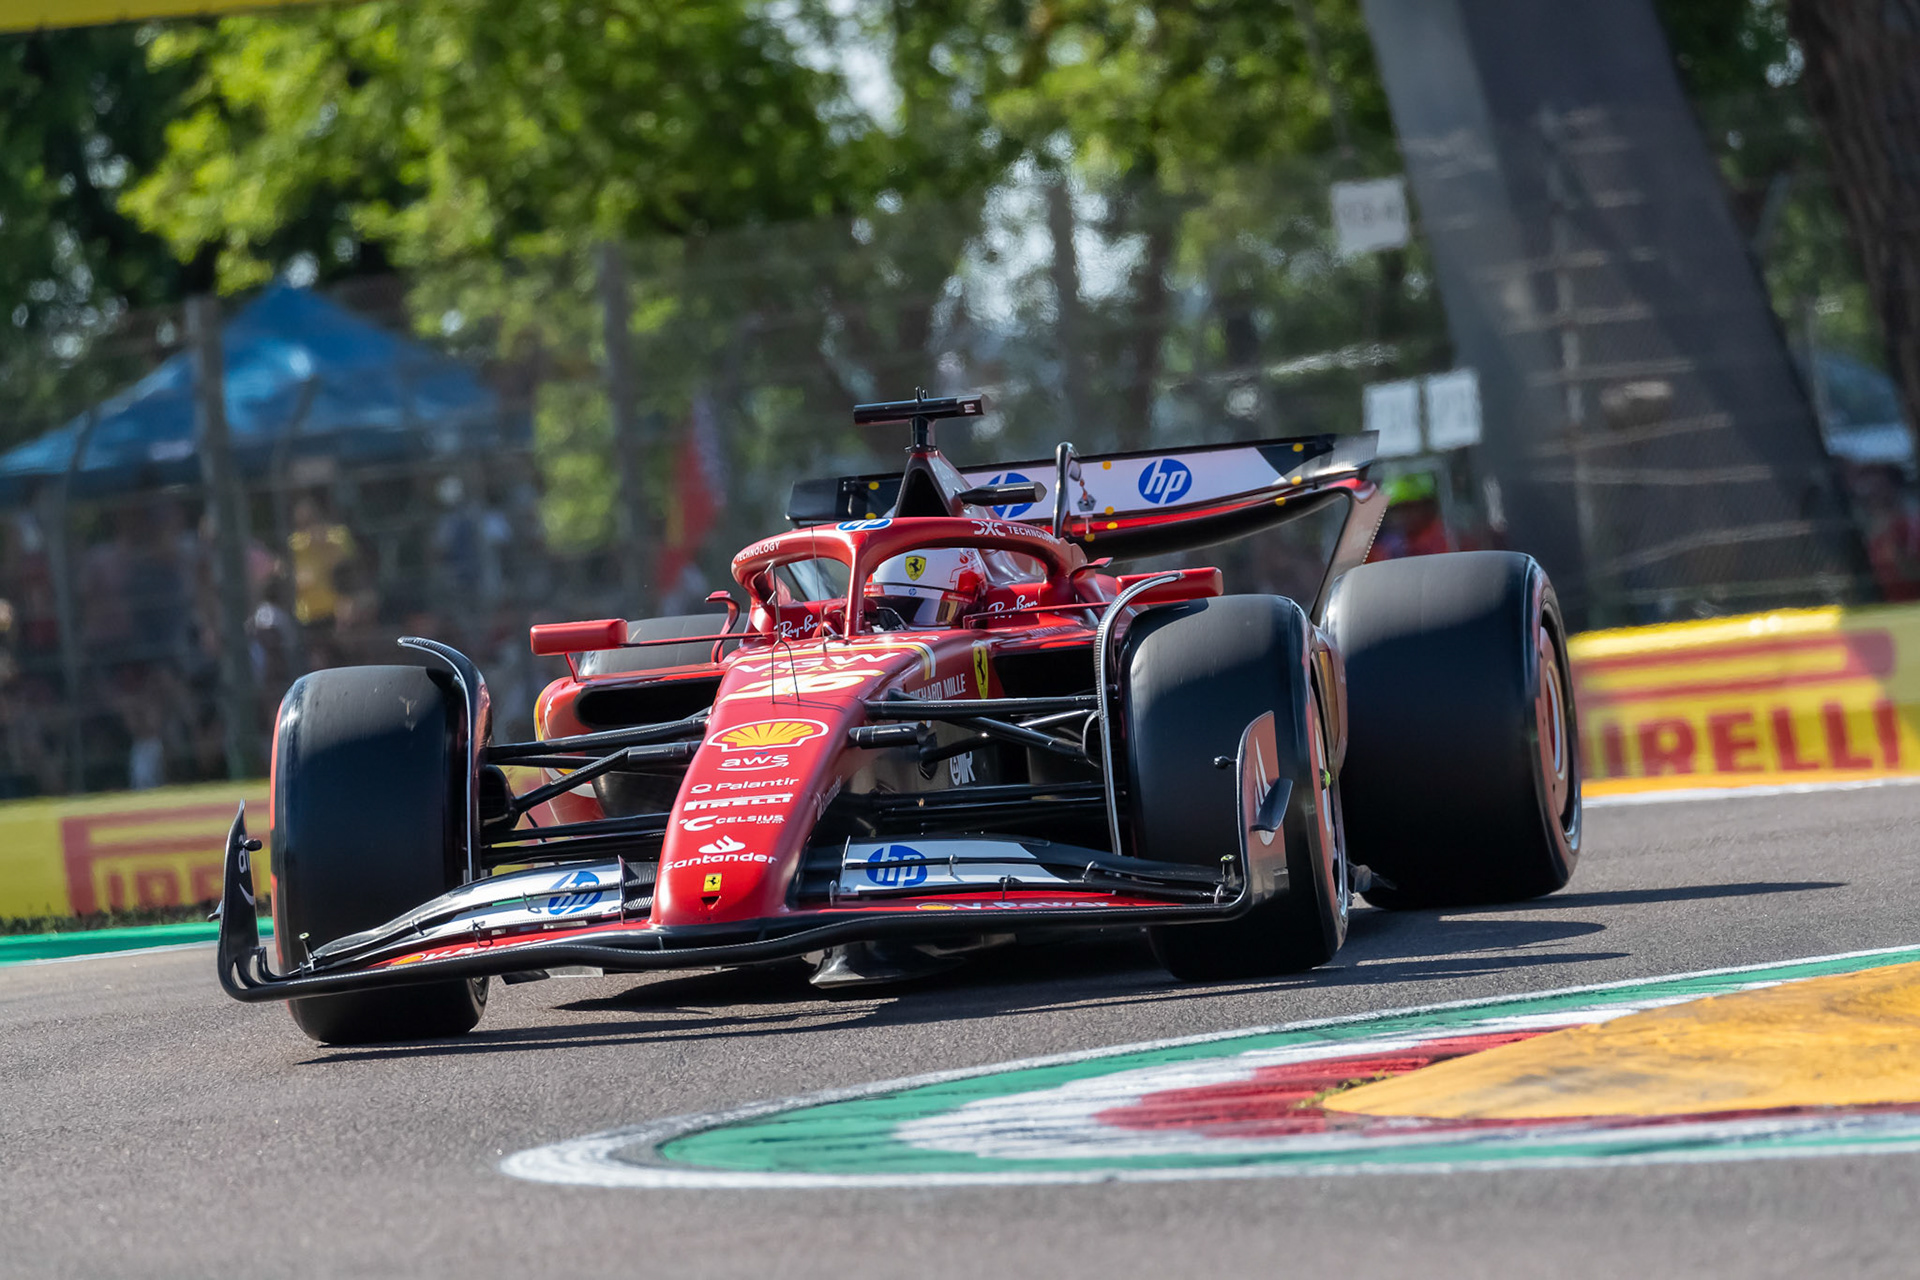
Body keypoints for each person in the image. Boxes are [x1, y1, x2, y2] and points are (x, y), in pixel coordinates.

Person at [287, 496, 356, 629]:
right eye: (302, 525)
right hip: (307, 617)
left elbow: (352, 572)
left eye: (313, 520)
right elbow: (293, 579)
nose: (309, 528)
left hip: (340, 613)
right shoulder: (295, 545)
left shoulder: (340, 538)